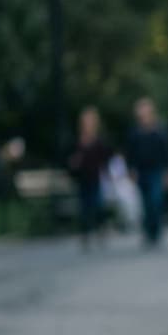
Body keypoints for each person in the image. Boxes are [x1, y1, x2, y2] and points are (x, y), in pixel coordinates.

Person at [125, 97, 168, 247]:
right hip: (141, 171)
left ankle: (156, 230)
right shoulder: (134, 133)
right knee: (145, 203)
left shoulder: (160, 131)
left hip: (156, 171)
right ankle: (148, 231)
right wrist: (131, 170)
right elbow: (130, 154)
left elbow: (167, 153)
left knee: (155, 200)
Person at [66, 106, 112, 250]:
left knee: (97, 205)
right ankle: (86, 233)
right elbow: (70, 159)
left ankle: (99, 229)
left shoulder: (99, 140)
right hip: (82, 178)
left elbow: (106, 157)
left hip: (95, 177)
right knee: (84, 207)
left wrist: (107, 172)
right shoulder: (77, 140)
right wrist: (73, 162)